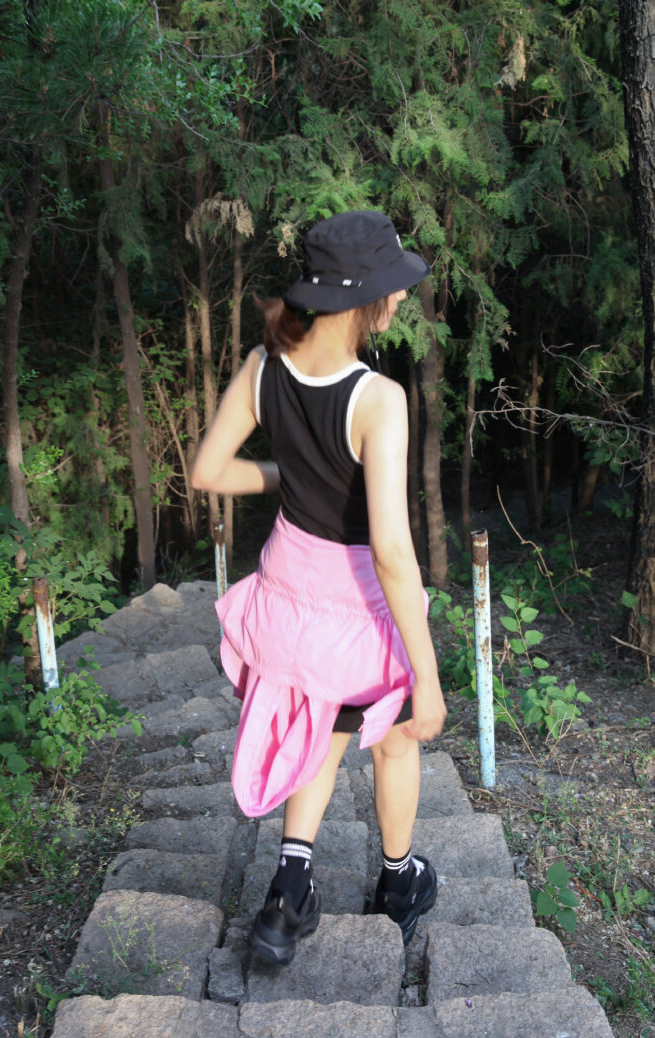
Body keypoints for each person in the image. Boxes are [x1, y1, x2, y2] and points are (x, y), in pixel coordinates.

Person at [191, 210, 447, 966]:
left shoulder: (262, 366)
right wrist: (428, 677)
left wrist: (282, 474)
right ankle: (398, 883)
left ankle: (287, 893)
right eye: (393, 288)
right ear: (365, 299)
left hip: (286, 596)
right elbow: (391, 552)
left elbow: (208, 472)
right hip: (357, 607)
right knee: (395, 736)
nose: (399, 299)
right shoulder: (378, 398)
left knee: (319, 728)